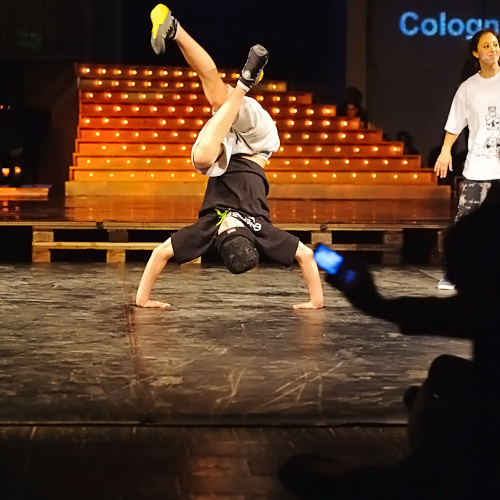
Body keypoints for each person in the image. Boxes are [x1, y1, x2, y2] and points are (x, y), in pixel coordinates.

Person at [280, 185, 500, 499]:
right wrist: (374, 302)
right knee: (445, 370)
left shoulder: (487, 308)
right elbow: (446, 314)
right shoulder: (487, 305)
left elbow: (459, 313)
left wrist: (370, 300)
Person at [135, 4, 324, 310]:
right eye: (235, 227)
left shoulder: (208, 228)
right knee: (218, 100)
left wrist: (142, 300)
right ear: (248, 233)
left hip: (225, 150)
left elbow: (160, 253)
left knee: (203, 156)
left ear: (220, 238)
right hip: (258, 143)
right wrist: (315, 302)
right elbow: (306, 255)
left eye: (225, 230)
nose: (229, 223)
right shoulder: (262, 232)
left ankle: (177, 30)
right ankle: (244, 85)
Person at [434, 28, 500, 290]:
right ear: (476, 53)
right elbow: (454, 124)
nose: (493, 49)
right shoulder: (468, 88)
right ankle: (454, 273)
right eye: (486, 46)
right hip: (478, 167)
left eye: (495, 44)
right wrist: (445, 151)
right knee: (465, 224)